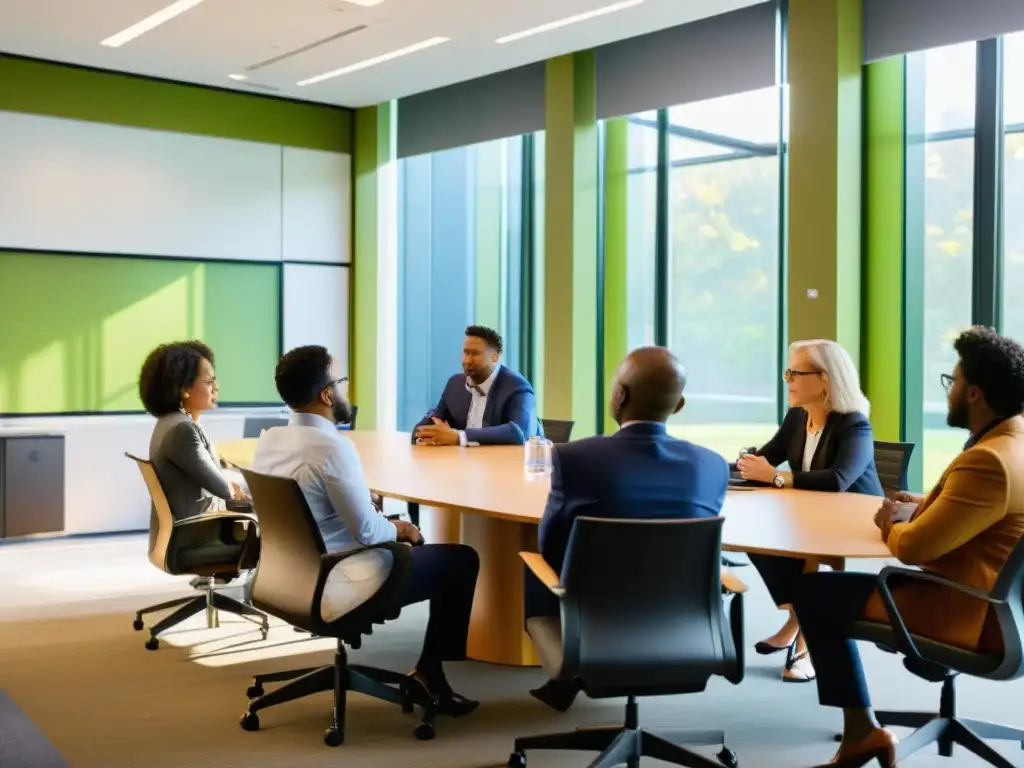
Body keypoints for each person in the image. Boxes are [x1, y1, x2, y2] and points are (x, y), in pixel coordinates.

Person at [793, 326, 1024, 766]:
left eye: (951, 382)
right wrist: (925, 504)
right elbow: (988, 515)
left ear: (974, 394)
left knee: (814, 594)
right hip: (1011, 606)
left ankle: (861, 733)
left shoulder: (988, 460)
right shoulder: (1014, 442)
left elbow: (912, 549)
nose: (949, 391)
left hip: (972, 612)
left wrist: (889, 523)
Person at [252, 345, 481, 716]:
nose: (346, 389)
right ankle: (431, 671)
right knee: (461, 560)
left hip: (285, 577)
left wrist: (373, 514)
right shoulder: (332, 447)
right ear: (326, 394)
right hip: (335, 578)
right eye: (340, 381)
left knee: (400, 534)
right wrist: (401, 528)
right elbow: (367, 532)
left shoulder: (270, 441)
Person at [525, 346, 730, 711]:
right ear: (678, 406)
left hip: (594, 629)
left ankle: (567, 678)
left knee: (535, 566)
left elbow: (550, 545)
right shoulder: (712, 466)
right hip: (687, 632)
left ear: (620, 396)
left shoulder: (575, 458)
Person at [736, 339, 883, 684]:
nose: (788, 379)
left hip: (856, 523)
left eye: (795, 373)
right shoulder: (797, 417)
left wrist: (774, 477)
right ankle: (800, 616)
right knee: (756, 535)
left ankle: (807, 644)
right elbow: (765, 459)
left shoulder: (853, 424)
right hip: (810, 517)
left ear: (825, 379)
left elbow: (838, 480)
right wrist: (731, 469)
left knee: (807, 551)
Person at [140, 341, 257, 562]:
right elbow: (224, 490)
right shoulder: (183, 429)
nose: (217, 387)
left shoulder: (168, 422)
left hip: (182, 534)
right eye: (209, 381)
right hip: (196, 538)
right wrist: (249, 484)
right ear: (184, 389)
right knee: (281, 534)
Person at [413, 325, 540, 446]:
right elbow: (433, 420)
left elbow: (520, 433)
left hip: (507, 464)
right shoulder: (455, 384)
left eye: (475, 354)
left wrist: (459, 437)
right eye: (466, 353)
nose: (467, 361)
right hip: (463, 463)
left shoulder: (517, 387)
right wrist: (421, 433)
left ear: (494, 357)